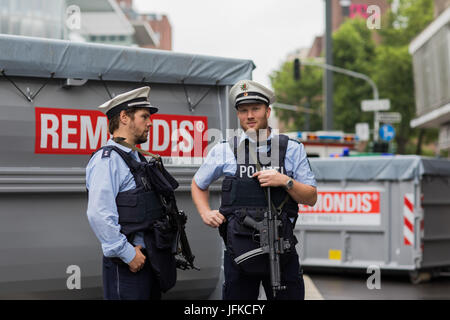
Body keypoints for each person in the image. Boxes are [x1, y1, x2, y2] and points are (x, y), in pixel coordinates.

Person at [191, 80, 317, 300]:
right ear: (238, 115)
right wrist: (205, 212)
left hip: (281, 251)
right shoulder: (225, 149)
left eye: (255, 109)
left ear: (268, 111)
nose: (249, 115)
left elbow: (311, 197)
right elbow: (198, 184)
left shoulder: (291, 149)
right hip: (239, 251)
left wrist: (285, 181)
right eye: (243, 110)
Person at [86, 86, 177, 300]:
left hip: (149, 260)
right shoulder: (107, 161)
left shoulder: (138, 158)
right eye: (144, 116)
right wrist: (126, 254)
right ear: (124, 117)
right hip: (129, 264)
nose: (150, 122)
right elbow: (98, 214)